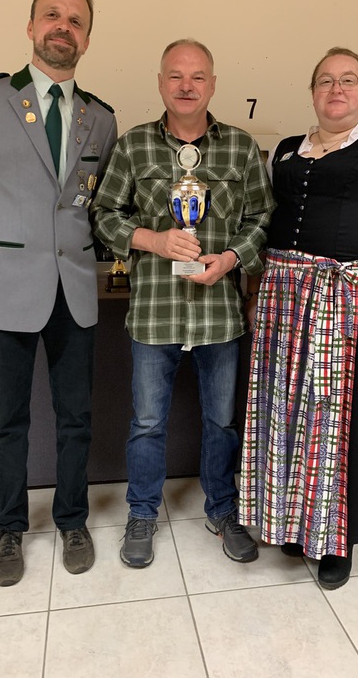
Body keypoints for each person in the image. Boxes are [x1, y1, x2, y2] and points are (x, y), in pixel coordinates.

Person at [239, 47, 358, 590]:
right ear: (312, 92)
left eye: (348, 80)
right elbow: (267, 227)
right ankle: (293, 523)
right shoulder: (286, 149)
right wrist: (256, 294)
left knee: (333, 419)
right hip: (282, 299)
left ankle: (335, 539)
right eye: (325, 80)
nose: (336, 89)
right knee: (283, 412)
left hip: (346, 299)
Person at [0, 0, 117, 586]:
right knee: (7, 419)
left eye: (76, 21)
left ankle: (72, 519)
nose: (62, 28)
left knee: (76, 417)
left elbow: (97, 203)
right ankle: (9, 528)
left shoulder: (101, 119)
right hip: (8, 286)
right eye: (52, 15)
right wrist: (12, 249)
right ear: (30, 26)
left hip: (74, 289)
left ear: (86, 39)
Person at [93, 39, 275, 568]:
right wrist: (153, 239)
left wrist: (232, 258)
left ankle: (223, 509)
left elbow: (262, 218)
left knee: (222, 423)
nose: (187, 86)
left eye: (197, 77)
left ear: (213, 84)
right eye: (176, 76)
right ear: (160, 83)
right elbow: (103, 215)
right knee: (148, 423)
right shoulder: (134, 146)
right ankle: (142, 513)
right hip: (156, 313)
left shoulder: (240, 147)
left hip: (219, 314)